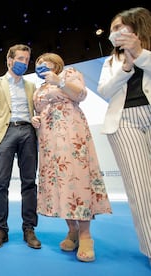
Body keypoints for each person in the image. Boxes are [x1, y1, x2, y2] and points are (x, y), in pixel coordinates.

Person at [32, 53, 112, 262]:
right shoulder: (38, 89)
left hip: (71, 137)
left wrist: (59, 81)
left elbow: (81, 95)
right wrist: (36, 119)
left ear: (56, 64)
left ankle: (86, 236)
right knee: (61, 186)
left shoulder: (69, 73)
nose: (40, 66)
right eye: (37, 64)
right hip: (49, 143)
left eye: (44, 62)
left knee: (77, 183)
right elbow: (40, 110)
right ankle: (72, 230)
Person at [97, 7, 151, 266]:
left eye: (119, 28)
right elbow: (105, 90)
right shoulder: (111, 62)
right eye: (111, 30)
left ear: (136, 27)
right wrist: (126, 67)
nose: (114, 34)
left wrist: (140, 55)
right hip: (124, 123)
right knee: (141, 190)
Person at [0, 44, 41, 249]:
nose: (24, 63)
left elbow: (38, 110)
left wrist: (37, 119)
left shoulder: (31, 86)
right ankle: (1, 230)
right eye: (20, 59)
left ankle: (29, 229)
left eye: (26, 59)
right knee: (1, 183)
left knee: (29, 182)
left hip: (28, 133)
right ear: (9, 60)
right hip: (4, 133)